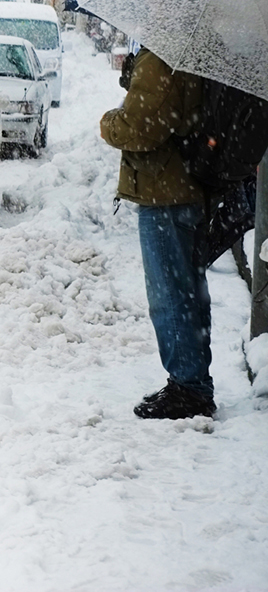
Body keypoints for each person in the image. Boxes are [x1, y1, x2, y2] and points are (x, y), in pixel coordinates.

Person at [99, 46, 212, 419]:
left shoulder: (164, 54)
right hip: (187, 186)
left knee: (170, 294)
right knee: (188, 291)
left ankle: (188, 388)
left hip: (166, 191)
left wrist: (109, 121)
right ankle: (192, 381)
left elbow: (141, 127)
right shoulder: (193, 51)